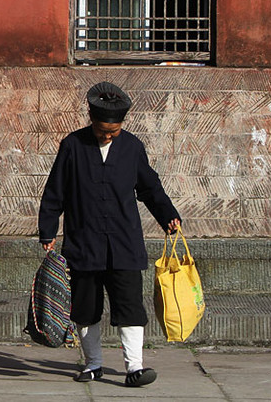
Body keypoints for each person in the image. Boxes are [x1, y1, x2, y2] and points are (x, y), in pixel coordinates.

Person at [37, 82, 181, 388]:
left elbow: (150, 187)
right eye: (103, 130)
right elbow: (55, 192)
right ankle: (93, 364)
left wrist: (168, 215)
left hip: (124, 243)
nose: (107, 135)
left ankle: (135, 367)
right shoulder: (73, 146)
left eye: (113, 131)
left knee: (129, 306)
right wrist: (47, 229)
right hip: (83, 243)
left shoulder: (131, 147)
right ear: (92, 120)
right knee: (85, 308)